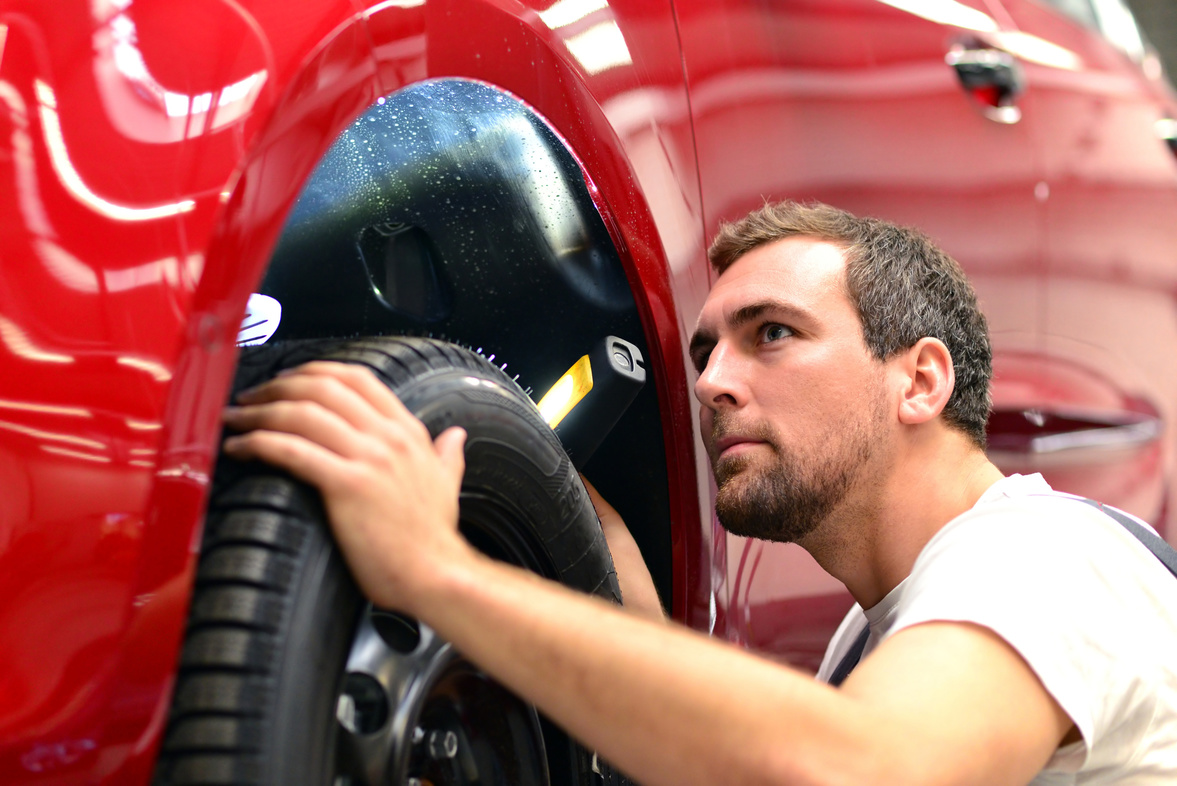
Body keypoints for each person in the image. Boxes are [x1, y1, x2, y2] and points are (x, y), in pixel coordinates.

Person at [221, 201, 1177, 784]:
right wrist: (626, 602)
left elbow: (863, 769)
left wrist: (438, 574)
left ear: (918, 382)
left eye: (771, 334)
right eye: (706, 349)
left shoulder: (1048, 559)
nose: (713, 382)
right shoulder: (879, 635)